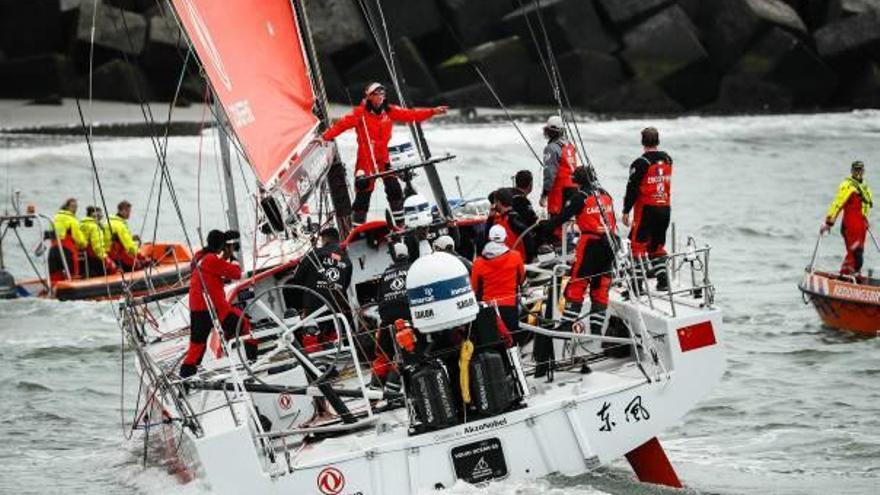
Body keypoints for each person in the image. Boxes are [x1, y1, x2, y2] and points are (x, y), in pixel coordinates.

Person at [321, 82, 448, 225]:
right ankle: (357, 228)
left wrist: (432, 111)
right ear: (369, 96)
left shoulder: (389, 110)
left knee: (394, 190)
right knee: (363, 195)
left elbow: (411, 115)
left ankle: (400, 225)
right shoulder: (360, 113)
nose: (381, 96)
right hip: (366, 160)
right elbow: (341, 125)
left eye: (382, 93)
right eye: (377, 94)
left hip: (385, 159)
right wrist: (324, 137)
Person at [542, 166, 617, 337]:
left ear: (578, 181)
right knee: (601, 284)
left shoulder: (580, 197)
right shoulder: (606, 195)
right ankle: (597, 330)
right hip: (610, 243)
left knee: (578, 281)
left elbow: (561, 218)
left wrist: (544, 227)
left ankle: (567, 323)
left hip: (591, 243)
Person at [181, 230, 257, 378]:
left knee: (196, 346)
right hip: (214, 309)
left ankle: (185, 379)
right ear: (222, 246)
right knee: (244, 324)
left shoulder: (199, 257)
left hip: (197, 308)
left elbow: (211, 272)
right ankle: (253, 364)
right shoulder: (212, 260)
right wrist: (232, 257)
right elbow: (236, 273)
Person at [622, 127, 672, 291]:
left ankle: (637, 286)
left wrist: (625, 211)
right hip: (665, 207)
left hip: (646, 209)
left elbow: (632, 189)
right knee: (657, 246)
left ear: (643, 142)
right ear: (658, 141)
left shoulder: (640, 163)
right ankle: (663, 281)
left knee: (636, 245)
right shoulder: (667, 159)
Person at [289, 227, 353, 351]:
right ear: (337, 239)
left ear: (324, 240)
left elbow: (297, 278)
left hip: (314, 304)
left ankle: (315, 359)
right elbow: (345, 285)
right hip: (335, 304)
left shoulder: (315, 254)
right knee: (332, 331)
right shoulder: (347, 260)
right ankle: (337, 351)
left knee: (311, 333)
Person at [471, 225, 526, 347]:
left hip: (488, 309)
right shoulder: (516, 257)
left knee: (493, 343)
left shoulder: (478, 263)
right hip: (510, 305)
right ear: (505, 238)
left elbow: (474, 288)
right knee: (513, 342)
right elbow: (521, 279)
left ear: (489, 238)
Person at [821, 160, 873, 274]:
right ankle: (846, 278)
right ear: (852, 171)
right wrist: (829, 222)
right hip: (849, 226)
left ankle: (850, 277)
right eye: (856, 170)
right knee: (856, 255)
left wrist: (865, 220)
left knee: (856, 255)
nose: (858, 172)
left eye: (860, 170)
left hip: (860, 227)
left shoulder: (865, 188)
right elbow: (837, 204)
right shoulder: (847, 186)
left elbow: (865, 206)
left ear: (863, 171)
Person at [373, 242, 411, 386]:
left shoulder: (385, 274)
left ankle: (374, 391)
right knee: (407, 352)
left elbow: (379, 299)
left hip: (387, 319)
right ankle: (393, 389)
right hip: (408, 317)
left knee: (383, 355)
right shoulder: (413, 269)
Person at [540, 116, 578, 223]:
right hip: (574, 189)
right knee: (569, 221)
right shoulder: (570, 145)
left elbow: (549, 174)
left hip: (559, 191)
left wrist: (544, 195)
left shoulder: (551, 148)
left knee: (556, 222)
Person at [48, 198, 87, 282]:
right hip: (67, 251)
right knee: (73, 274)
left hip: (53, 250)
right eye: (73, 206)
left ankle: (53, 289)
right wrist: (84, 244)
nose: (75, 209)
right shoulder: (72, 219)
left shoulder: (55, 218)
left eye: (76, 206)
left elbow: (51, 233)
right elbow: (79, 238)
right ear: (67, 207)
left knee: (54, 276)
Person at [486, 188, 530, 260]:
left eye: (495, 203)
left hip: (514, 261)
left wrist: (528, 260)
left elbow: (527, 235)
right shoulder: (501, 219)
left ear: (499, 202)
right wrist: (490, 218)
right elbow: (487, 237)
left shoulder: (512, 219)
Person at [106, 200, 142, 271]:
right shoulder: (120, 225)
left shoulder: (110, 221)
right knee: (139, 265)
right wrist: (141, 255)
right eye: (128, 211)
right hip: (117, 256)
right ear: (121, 211)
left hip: (109, 253)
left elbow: (119, 238)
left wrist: (131, 238)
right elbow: (129, 246)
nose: (129, 214)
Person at [80, 206, 114, 277]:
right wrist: (105, 258)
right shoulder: (93, 226)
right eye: (98, 213)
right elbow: (97, 245)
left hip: (86, 254)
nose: (100, 215)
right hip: (94, 255)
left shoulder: (82, 223)